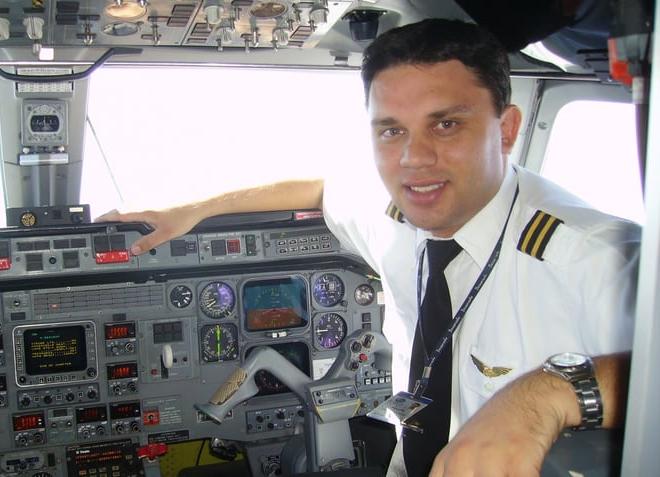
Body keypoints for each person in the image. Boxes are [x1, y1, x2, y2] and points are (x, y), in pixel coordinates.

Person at [98, 18, 640, 477]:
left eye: (445, 124)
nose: (413, 159)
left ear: (507, 129)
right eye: (391, 132)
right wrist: (195, 209)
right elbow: (321, 188)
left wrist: (544, 395)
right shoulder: (393, 213)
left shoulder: (587, 254)